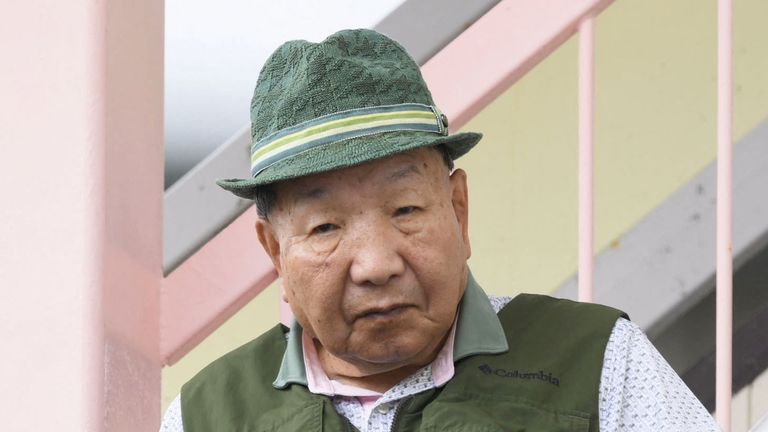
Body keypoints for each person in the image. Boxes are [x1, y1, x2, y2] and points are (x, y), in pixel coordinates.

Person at [160, 28, 719, 432]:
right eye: (326, 226)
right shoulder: (206, 414)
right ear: (275, 251)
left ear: (458, 208)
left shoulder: (597, 361)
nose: (377, 264)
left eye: (405, 210)